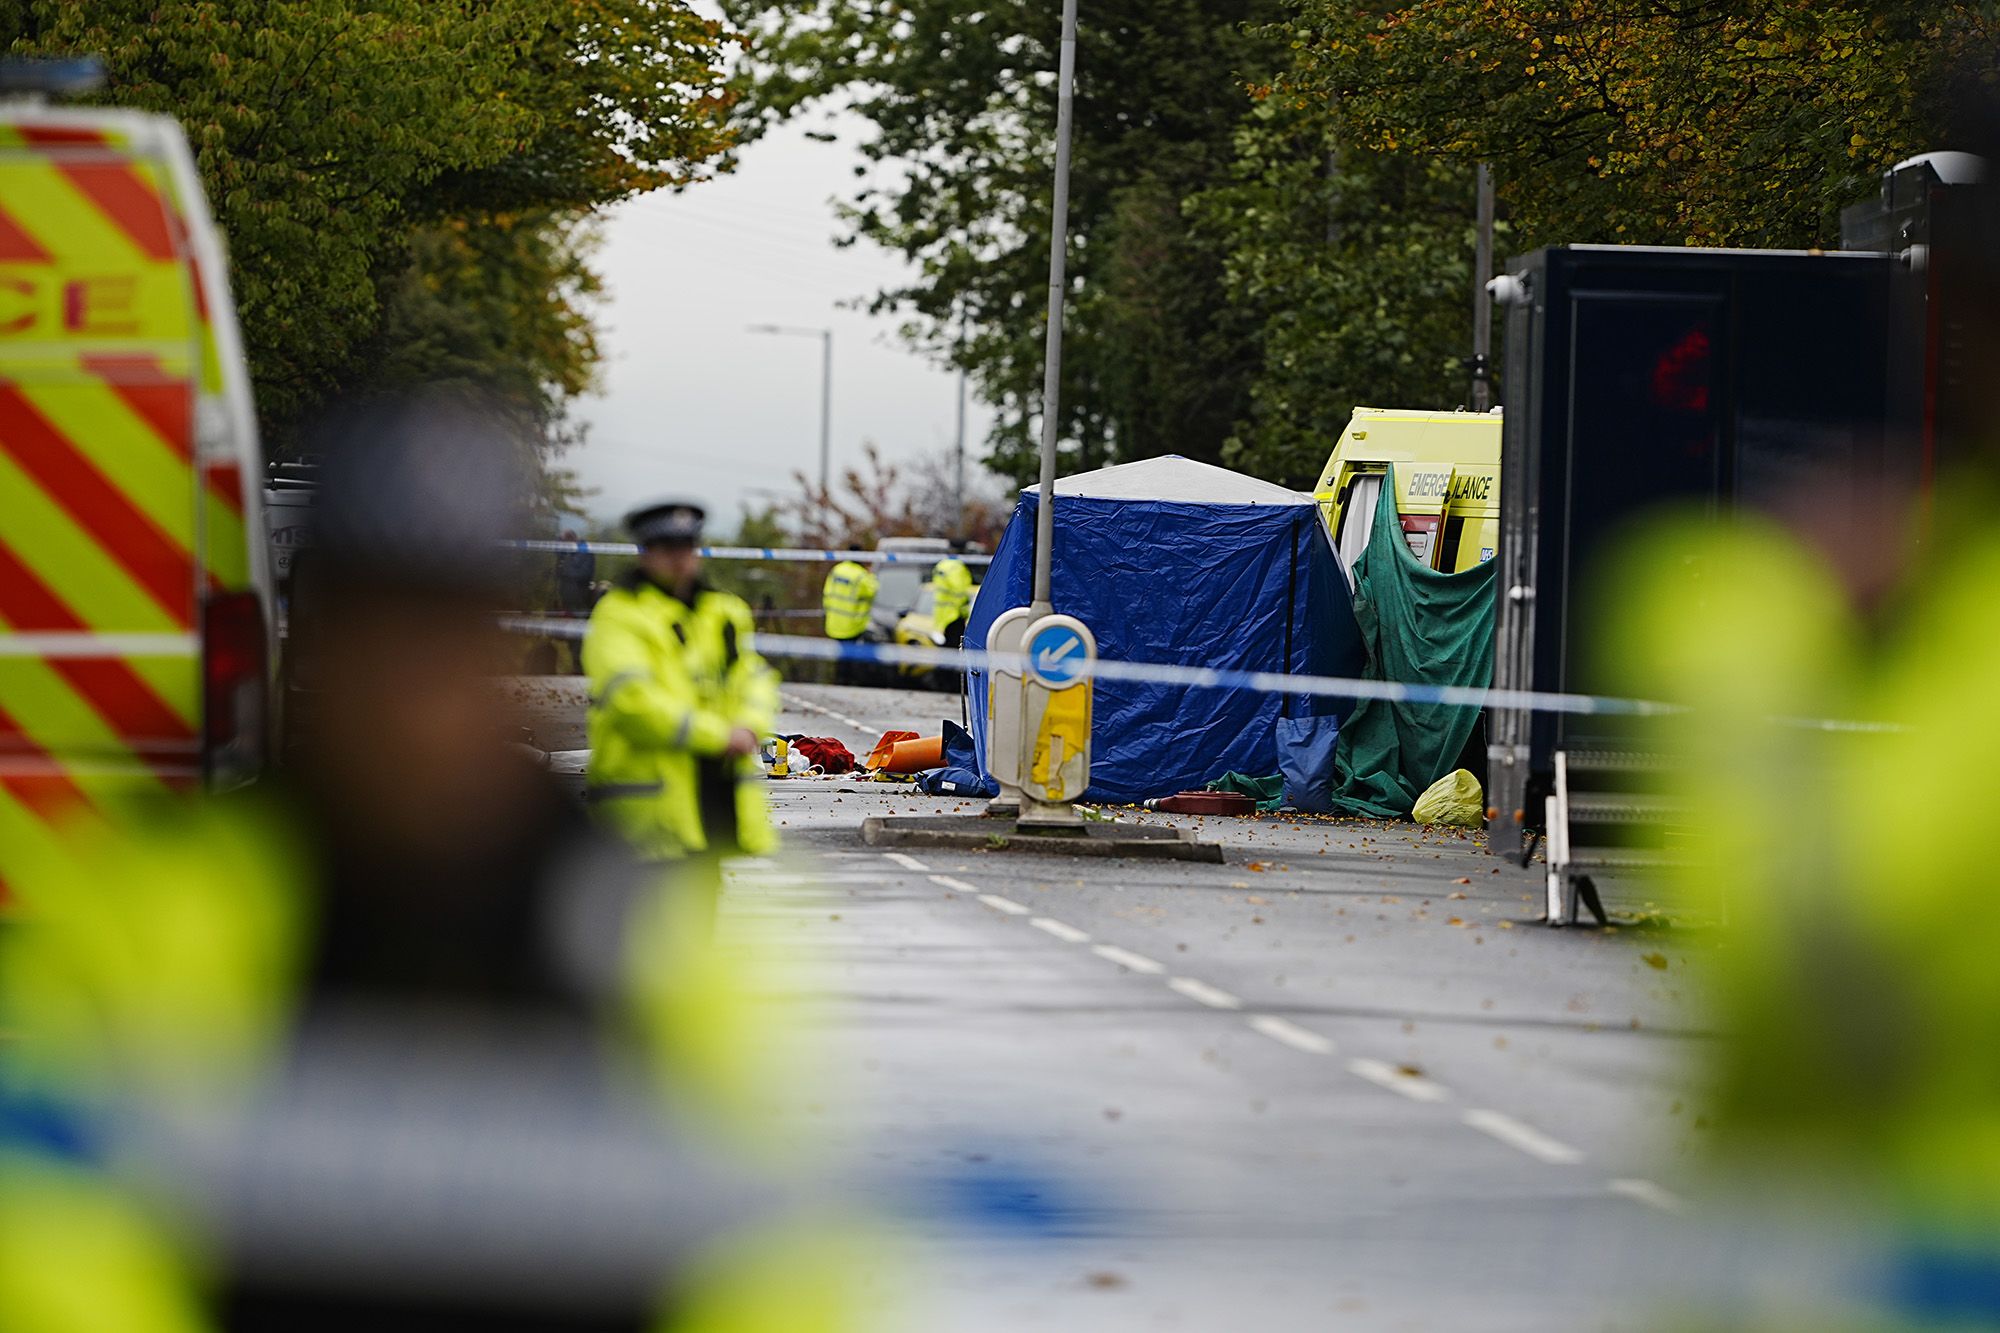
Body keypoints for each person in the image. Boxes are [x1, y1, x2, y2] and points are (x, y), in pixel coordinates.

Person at [581, 499, 778, 894]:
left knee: (699, 943)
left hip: (712, 809)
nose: (679, 560)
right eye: (667, 550)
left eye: (686, 549)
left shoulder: (722, 611)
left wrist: (750, 724)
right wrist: (719, 736)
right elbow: (631, 702)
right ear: (645, 553)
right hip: (647, 819)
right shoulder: (620, 614)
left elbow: (754, 675)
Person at [820, 557, 879, 686]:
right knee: (851, 653)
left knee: (840, 653)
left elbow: (827, 592)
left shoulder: (837, 570)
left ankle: (839, 679)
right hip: (853, 622)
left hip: (835, 619)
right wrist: (871, 576)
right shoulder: (861, 575)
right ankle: (848, 681)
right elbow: (872, 591)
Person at [931, 552, 974, 652]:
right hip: (955, 614)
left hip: (943, 615)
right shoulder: (957, 567)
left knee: (945, 649)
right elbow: (960, 588)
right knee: (954, 646)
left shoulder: (941, 565)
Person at [556, 528, 596, 615]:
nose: (561, 547)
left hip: (578, 595)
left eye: (563, 543)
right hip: (568, 597)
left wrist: (563, 572)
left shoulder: (584, 550)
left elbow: (584, 574)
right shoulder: (568, 554)